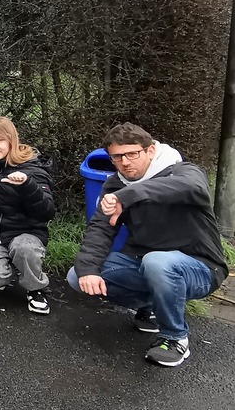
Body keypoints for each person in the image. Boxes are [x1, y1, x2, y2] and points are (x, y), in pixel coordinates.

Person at [68, 123, 226, 367]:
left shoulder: (184, 172)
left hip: (200, 267)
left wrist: (127, 196)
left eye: (132, 154)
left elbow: (191, 188)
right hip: (143, 262)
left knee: (157, 262)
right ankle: (151, 306)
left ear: (150, 150)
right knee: (76, 275)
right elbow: (100, 229)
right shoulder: (115, 185)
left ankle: (175, 337)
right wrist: (88, 269)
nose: (125, 162)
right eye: (117, 157)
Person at [0, 117, 55, 315]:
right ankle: (6, 268)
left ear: (11, 140)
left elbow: (47, 212)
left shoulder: (32, 168)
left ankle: (35, 289)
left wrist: (28, 186)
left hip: (26, 234)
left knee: (24, 249)